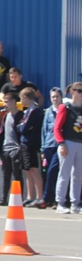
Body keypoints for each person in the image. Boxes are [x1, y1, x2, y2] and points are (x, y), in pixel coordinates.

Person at [53, 81, 82, 214]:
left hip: (80, 142)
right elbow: (57, 127)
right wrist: (61, 143)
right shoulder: (65, 107)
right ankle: (60, 202)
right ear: (73, 92)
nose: (81, 94)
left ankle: (75, 203)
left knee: (78, 175)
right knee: (64, 174)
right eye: (79, 91)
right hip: (68, 142)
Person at [0, 92, 24, 206]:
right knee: (6, 175)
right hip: (5, 150)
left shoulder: (20, 115)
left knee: (17, 175)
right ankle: (3, 199)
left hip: (16, 149)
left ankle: (18, 199)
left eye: (6, 102)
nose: (5, 104)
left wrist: (20, 148)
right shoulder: (6, 116)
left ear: (13, 102)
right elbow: (2, 133)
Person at [17, 88, 44, 207]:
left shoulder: (34, 111)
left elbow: (23, 127)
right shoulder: (27, 111)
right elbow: (19, 126)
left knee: (34, 169)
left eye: (21, 98)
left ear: (25, 97)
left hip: (31, 143)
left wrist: (21, 126)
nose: (20, 100)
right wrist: (21, 126)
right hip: (24, 143)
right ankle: (29, 196)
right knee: (27, 170)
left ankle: (39, 197)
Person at [40, 87, 63, 209]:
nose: (55, 99)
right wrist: (43, 148)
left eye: (57, 96)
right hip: (48, 145)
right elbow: (44, 130)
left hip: (59, 145)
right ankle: (50, 200)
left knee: (53, 172)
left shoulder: (65, 111)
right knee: (48, 173)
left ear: (61, 97)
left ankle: (48, 198)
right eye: (53, 97)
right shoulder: (48, 112)